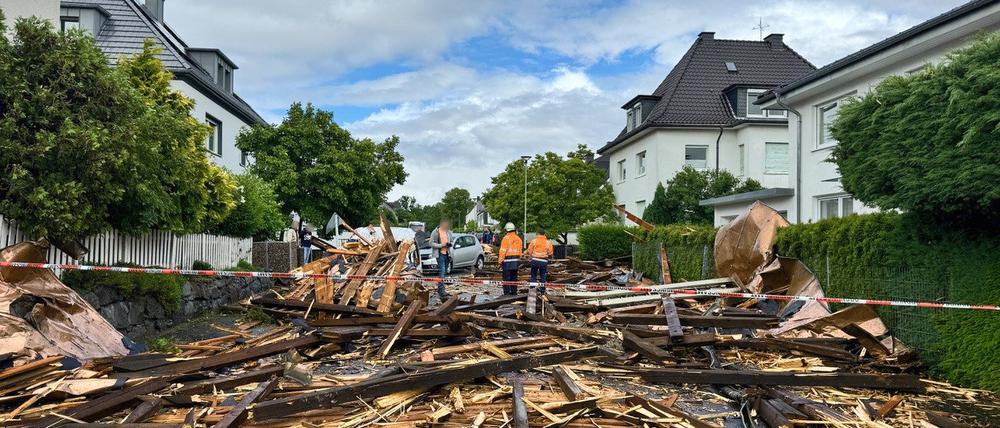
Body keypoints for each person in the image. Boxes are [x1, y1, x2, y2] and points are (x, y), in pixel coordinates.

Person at [429, 219, 454, 300]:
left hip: (447, 254)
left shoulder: (449, 232)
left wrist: (450, 244)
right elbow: (431, 243)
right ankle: (442, 291)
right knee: (442, 272)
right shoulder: (435, 232)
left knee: (444, 272)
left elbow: (452, 241)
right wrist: (442, 245)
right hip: (440, 254)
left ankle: (440, 290)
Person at [497, 222, 523, 295]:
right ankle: (514, 292)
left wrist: (500, 261)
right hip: (516, 261)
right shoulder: (518, 239)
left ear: (507, 230)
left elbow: (502, 251)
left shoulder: (506, 238)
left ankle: (507, 293)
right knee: (514, 278)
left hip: (507, 262)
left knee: (506, 278)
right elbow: (520, 252)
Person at [527, 228, 554, 294]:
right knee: (543, 275)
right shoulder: (548, 242)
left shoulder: (534, 241)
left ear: (538, 234)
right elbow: (550, 253)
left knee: (533, 274)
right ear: (544, 234)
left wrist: (532, 255)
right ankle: (542, 289)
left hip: (535, 260)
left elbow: (529, 251)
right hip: (543, 261)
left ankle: (532, 288)